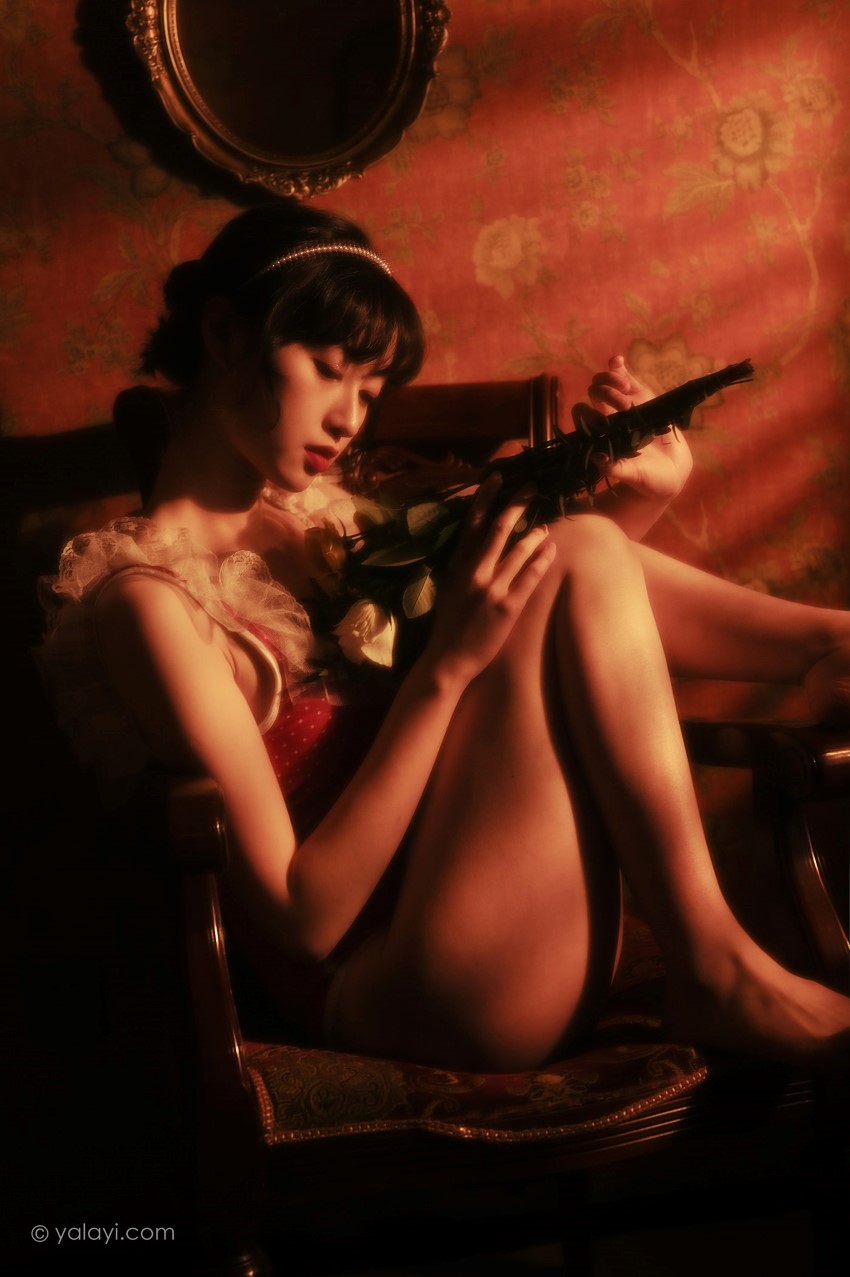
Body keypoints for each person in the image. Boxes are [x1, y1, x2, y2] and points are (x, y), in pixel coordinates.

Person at [39, 201, 850, 1073]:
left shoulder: (329, 521)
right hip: (401, 989)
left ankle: (827, 649)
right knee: (566, 549)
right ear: (225, 334)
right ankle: (715, 959)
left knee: (560, 547)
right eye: (328, 370)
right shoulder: (149, 605)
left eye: (371, 391)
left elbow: (551, 627)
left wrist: (643, 497)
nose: (350, 418)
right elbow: (303, 922)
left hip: (508, 910)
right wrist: (446, 668)